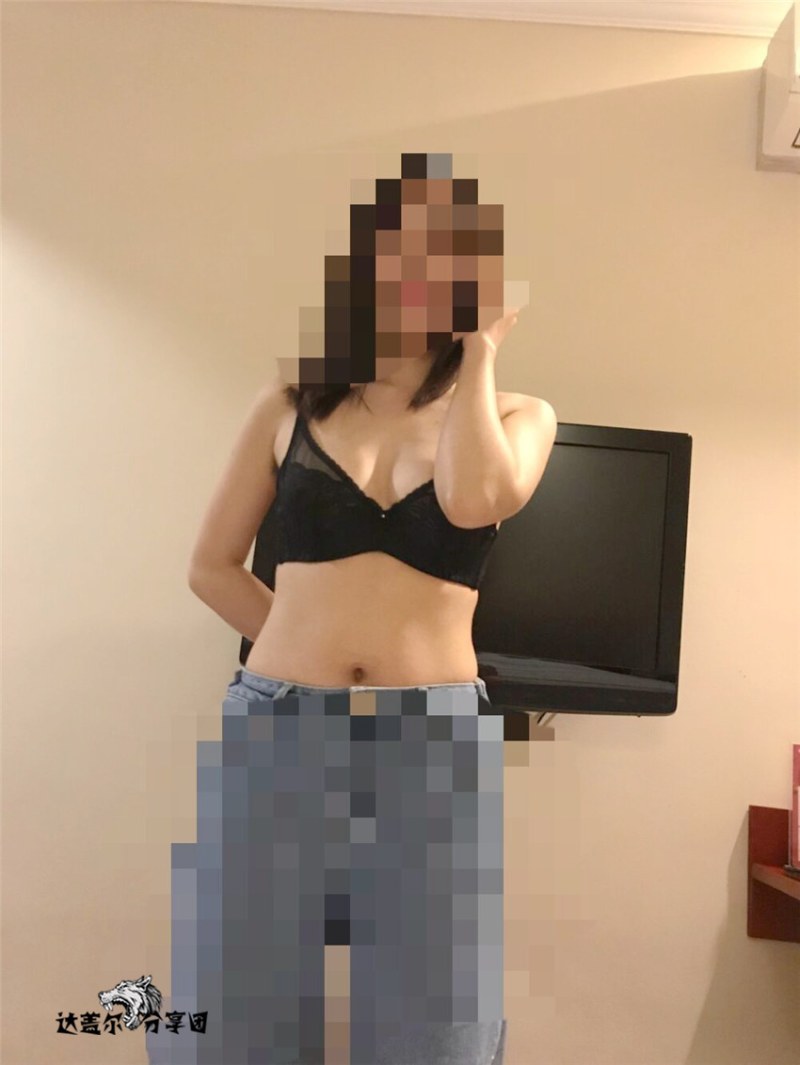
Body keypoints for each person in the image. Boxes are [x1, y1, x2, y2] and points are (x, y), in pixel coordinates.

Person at [146, 153, 557, 1065]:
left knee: (435, 1016)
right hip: (279, 724)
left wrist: (481, 353)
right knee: (234, 1001)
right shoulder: (288, 405)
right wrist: (298, 646)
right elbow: (212, 567)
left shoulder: (520, 415)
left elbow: (473, 500)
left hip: (431, 738)